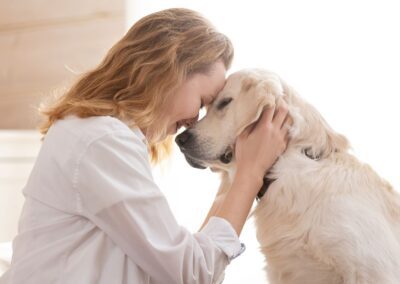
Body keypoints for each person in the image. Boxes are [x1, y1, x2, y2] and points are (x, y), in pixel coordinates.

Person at [0, 8, 289, 284]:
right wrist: (250, 175)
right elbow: (192, 274)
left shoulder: (97, 133)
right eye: (201, 102)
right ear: (168, 71)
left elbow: (178, 266)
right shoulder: (103, 141)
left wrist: (236, 175)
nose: (194, 121)